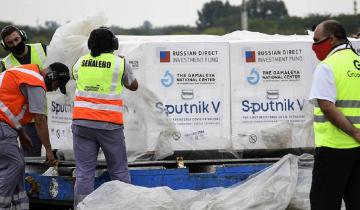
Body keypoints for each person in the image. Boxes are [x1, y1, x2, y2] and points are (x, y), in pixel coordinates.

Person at [71, 27, 138, 208]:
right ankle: (124, 206)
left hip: (81, 123)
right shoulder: (119, 64)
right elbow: (133, 86)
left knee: (84, 172)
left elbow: (76, 77)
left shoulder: (80, 62)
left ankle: (81, 207)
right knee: (118, 170)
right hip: (109, 124)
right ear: (113, 44)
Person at [0, 62, 70, 209]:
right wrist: (49, 152)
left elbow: (8, 106)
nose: (55, 89)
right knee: (14, 164)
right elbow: (39, 120)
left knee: (19, 165)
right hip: (2, 126)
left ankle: (21, 206)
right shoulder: (36, 82)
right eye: (57, 84)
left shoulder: (27, 72)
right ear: (52, 77)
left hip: (7, 126)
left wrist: (21, 132)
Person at [309, 19, 360, 210]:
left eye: (316, 40)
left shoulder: (328, 66)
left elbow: (327, 106)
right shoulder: (358, 62)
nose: (314, 46)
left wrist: (354, 132)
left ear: (330, 39)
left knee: (324, 204)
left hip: (334, 150)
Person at [1, 25, 48, 157]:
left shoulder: (42, 49)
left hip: (52, 112)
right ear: (5, 45)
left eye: (16, 39)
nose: (15, 44)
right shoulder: (6, 63)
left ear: (22, 36)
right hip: (29, 119)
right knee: (31, 159)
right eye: (10, 43)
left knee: (60, 154)